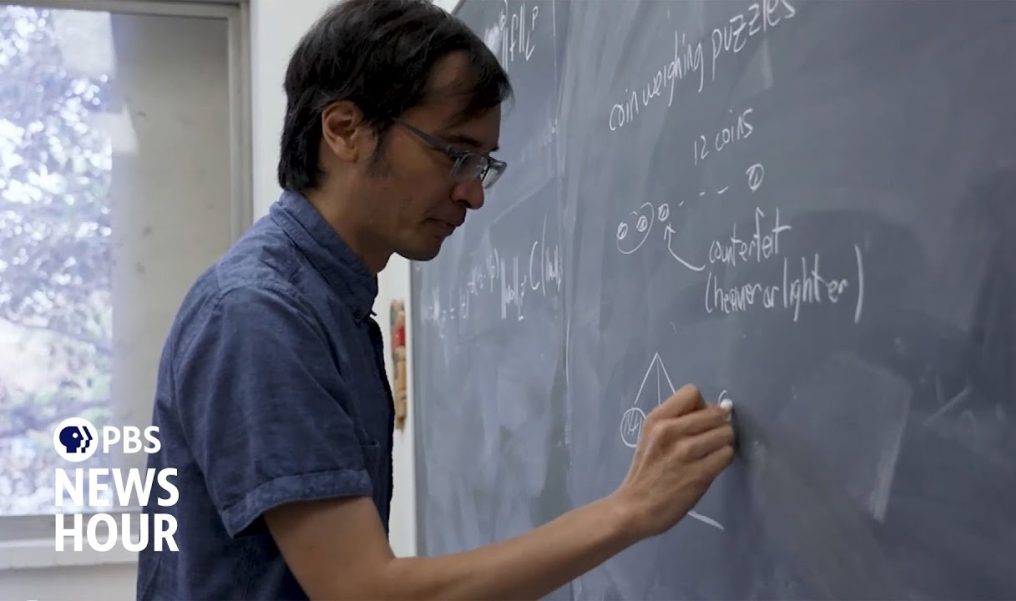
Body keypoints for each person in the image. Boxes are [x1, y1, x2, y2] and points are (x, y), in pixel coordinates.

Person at [136, 0, 735, 599]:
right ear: (343, 130)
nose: (473, 194)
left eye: (483, 165)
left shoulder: (330, 303)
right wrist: (630, 509)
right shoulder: (259, 312)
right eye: (454, 154)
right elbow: (363, 592)